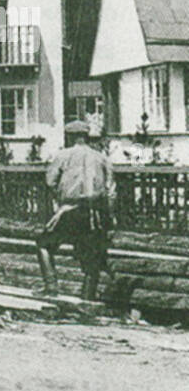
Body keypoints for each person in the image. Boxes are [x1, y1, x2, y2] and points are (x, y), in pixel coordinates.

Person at [36, 118, 115, 300]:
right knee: (92, 256)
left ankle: (51, 287)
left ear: (70, 137)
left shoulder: (63, 155)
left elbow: (50, 181)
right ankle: (88, 297)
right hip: (94, 213)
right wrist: (109, 217)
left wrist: (61, 199)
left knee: (44, 245)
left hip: (70, 210)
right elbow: (111, 191)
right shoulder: (102, 158)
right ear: (87, 137)